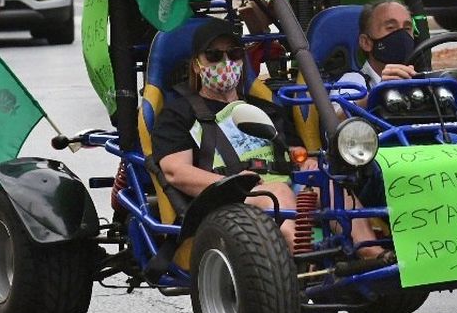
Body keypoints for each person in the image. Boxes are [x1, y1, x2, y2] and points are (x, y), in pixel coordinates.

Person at [150, 18, 383, 259]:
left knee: (334, 188)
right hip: (226, 197)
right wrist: (233, 183)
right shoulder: (179, 113)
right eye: (214, 55)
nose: (226, 62)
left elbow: (294, 150)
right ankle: (305, 261)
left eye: (234, 53)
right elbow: (175, 172)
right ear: (197, 65)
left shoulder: (267, 108)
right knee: (278, 193)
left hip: (284, 186)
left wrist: (305, 162)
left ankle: (374, 257)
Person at [356, 0, 457, 97]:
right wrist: (381, 90)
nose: (401, 34)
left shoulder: (423, 81)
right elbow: (339, 120)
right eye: (391, 27)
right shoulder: (354, 81)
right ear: (366, 42)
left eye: (407, 28)